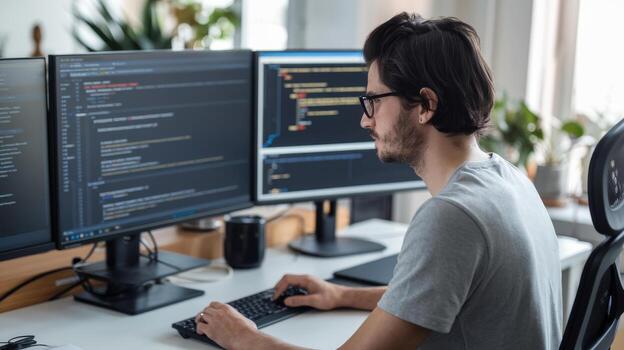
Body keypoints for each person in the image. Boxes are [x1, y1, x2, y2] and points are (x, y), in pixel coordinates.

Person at [193, 12, 562, 350]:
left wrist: (243, 338)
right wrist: (342, 295)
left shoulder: (452, 217)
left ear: (425, 106)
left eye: (373, 101)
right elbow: (439, 296)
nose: (365, 121)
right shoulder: (507, 178)